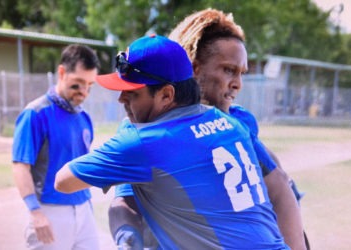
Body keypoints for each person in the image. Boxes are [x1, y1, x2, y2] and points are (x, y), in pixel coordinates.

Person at [54, 34, 290, 249]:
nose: (121, 99)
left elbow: (63, 181)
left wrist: (128, 137)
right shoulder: (231, 123)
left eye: (132, 93)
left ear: (167, 95)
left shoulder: (147, 141)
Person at [109, 8, 308, 250]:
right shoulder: (142, 127)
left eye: (241, 73)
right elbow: (125, 198)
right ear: (193, 68)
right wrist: (128, 238)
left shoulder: (235, 123)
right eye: (228, 70)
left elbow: (281, 189)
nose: (237, 84)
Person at [12, 44, 100, 250]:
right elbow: (20, 166)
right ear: (62, 73)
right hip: (50, 211)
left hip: (84, 209)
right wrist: (35, 212)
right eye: (77, 84)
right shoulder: (35, 113)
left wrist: (86, 206)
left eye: (90, 85)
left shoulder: (84, 117)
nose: (84, 92)